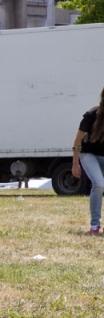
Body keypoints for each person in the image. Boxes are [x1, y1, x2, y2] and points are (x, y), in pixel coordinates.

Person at [72, 86, 104, 234]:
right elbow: (78, 140)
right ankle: (94, 225)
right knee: (98, 184)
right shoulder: (92, 115)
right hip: (88, 154)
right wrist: (75, 164)